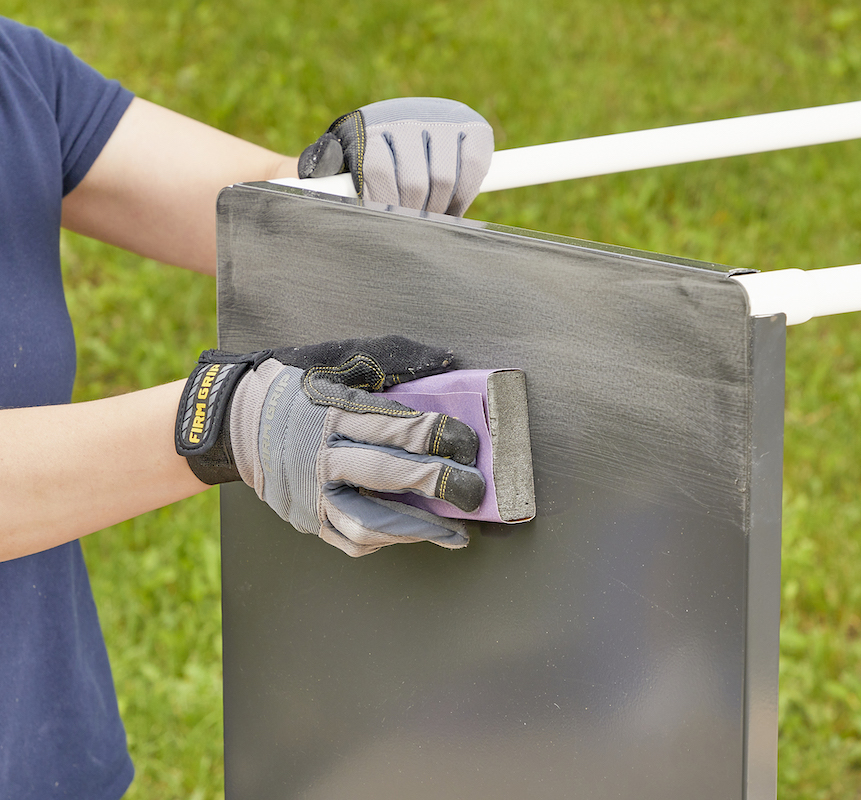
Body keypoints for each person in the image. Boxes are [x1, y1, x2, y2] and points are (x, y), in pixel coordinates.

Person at [0, 15, 494, 798]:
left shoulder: (11, 72)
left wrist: (350, 186)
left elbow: (257, 218)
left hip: (44, 756)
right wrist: (217, 424)